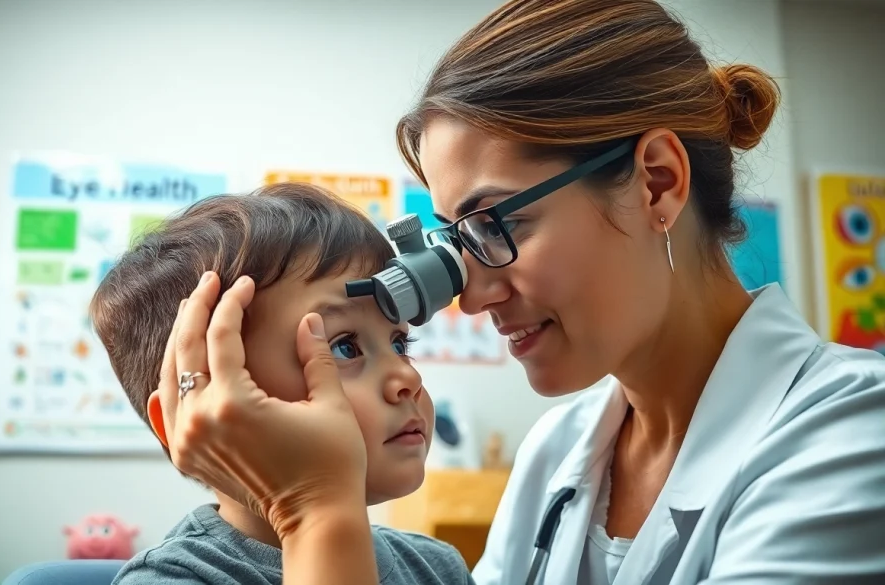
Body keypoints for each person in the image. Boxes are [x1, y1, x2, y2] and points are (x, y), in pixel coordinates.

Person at [153, 0, 885, 584]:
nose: (471, 298)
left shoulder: (854, 433)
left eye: (496, 224)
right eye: (457, 239)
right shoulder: (558, 453)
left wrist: (316, 512)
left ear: (657, 182)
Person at [89, 183, 474, 584]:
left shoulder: (437, 567)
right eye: (343, 348)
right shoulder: (169, 581)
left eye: (399, 343)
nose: (407, 377)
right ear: (188, 415)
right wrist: (315, 509)